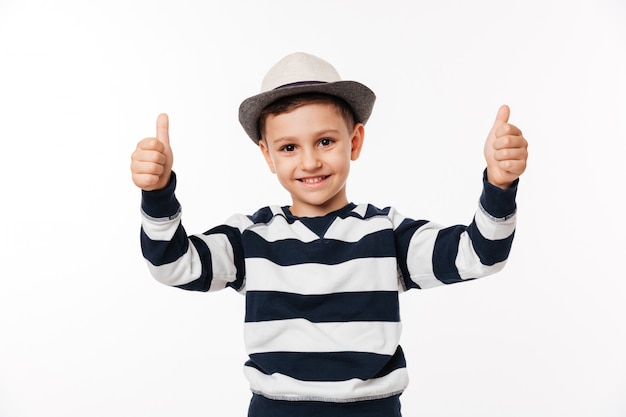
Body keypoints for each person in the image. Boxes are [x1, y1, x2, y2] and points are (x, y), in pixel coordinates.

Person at [130, 52, 528, 417]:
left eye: (325, 141)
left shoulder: (386, 234)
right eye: (288, 147)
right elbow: (173, 265)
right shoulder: (250, 238)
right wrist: (158, 193)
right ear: (267, 154)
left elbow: (479, 255)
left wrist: (499, 184)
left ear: (353, 141)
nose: (310, 161)